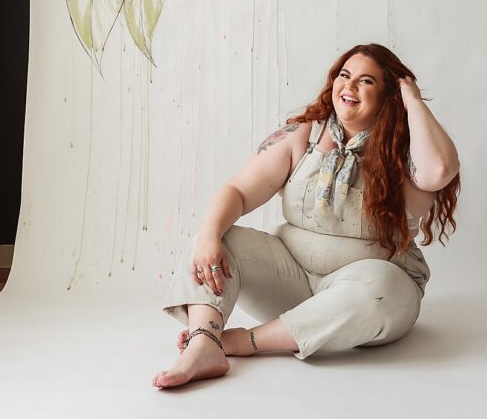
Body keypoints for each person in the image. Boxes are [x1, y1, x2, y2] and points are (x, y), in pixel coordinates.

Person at [152, 43, 461, 389]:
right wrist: (209, 237)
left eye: (366, 81)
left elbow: (440, 169)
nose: (350, 87)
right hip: (293, 280)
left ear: (390, 96)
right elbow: (237, 192)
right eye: (345, 76)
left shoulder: (405, 152)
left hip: (365, 297)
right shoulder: (304, 134)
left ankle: (247, 342)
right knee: (214, 236)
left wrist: (412, 100)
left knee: (382, 290)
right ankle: (204, 344)